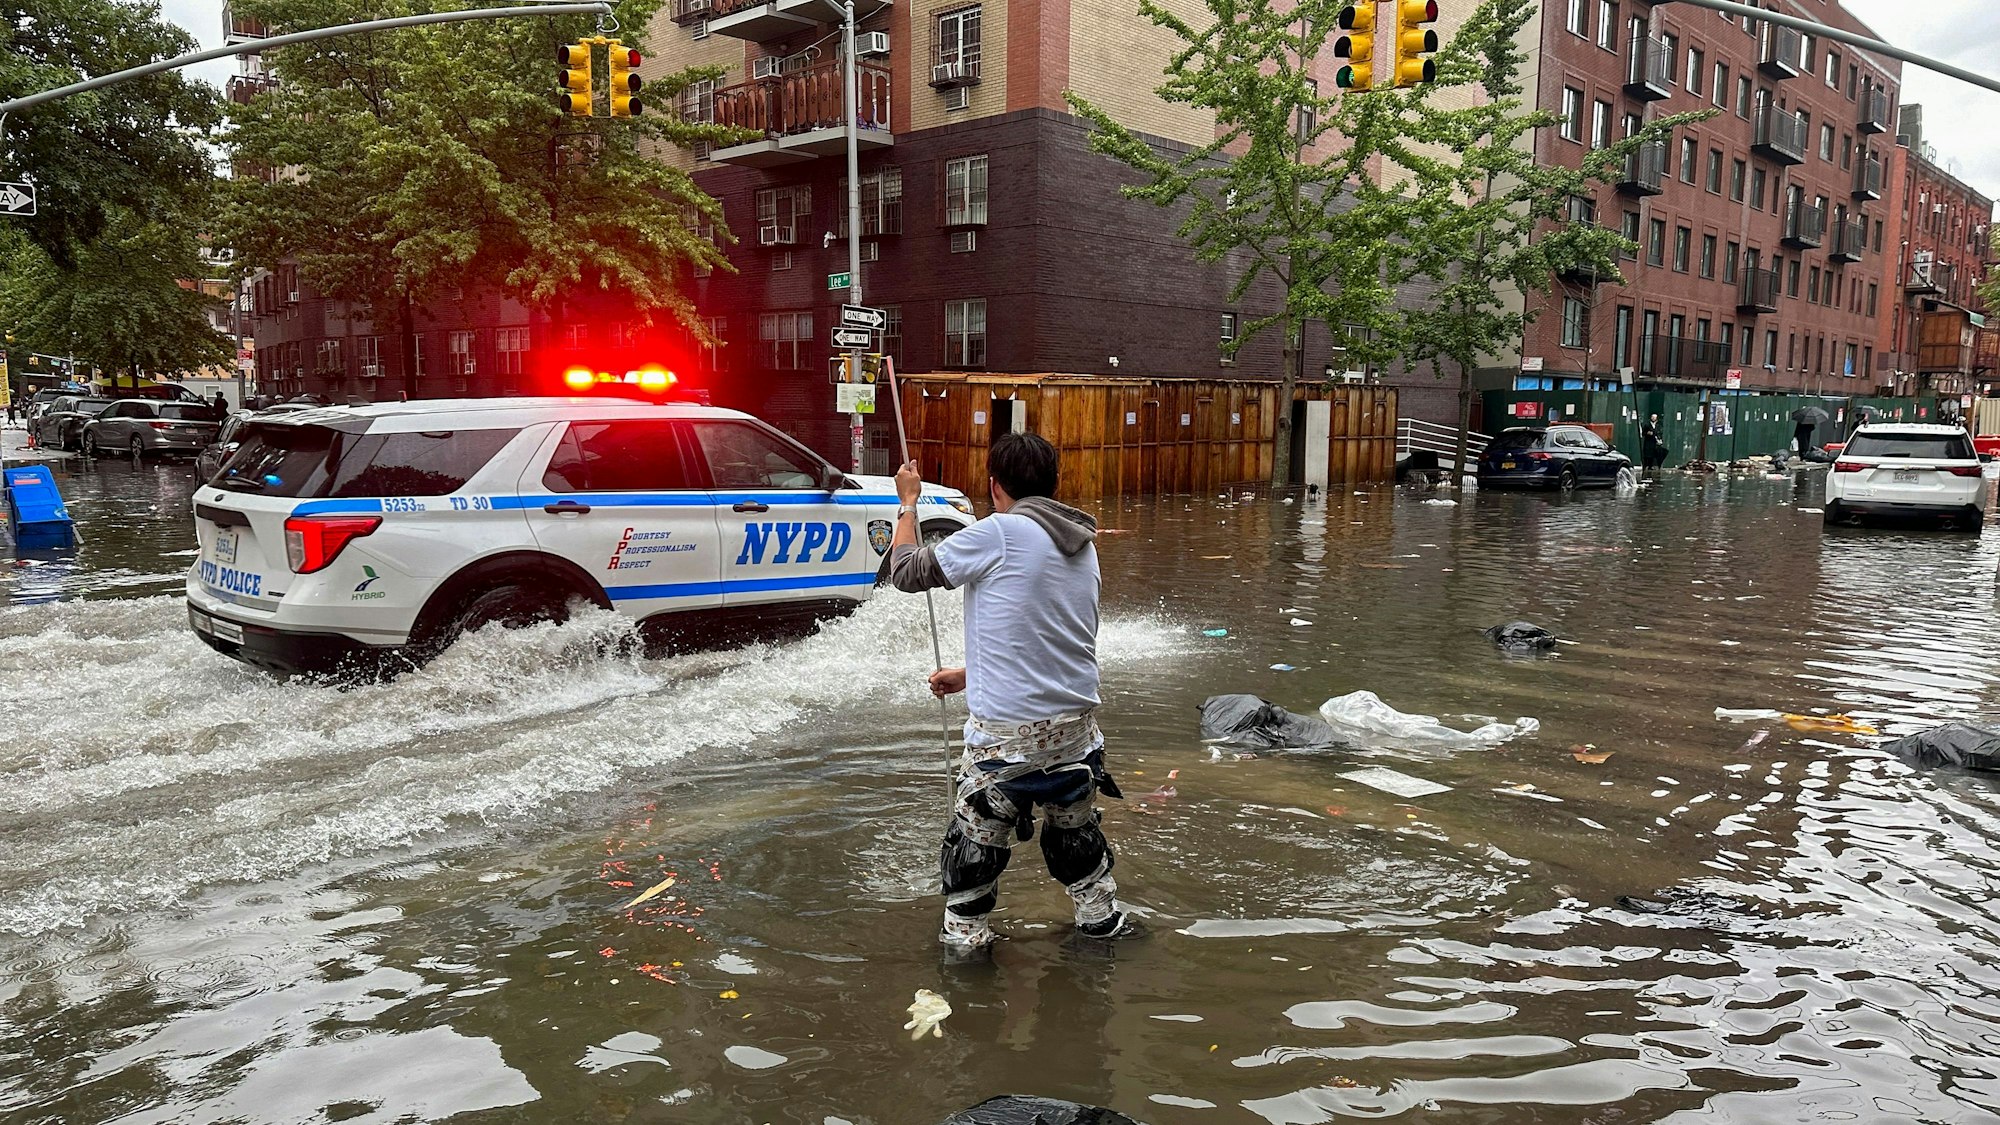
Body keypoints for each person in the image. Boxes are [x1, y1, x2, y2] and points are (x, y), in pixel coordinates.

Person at [888, 432, 1131, 950]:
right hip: (1077, 739)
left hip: (1006, 745)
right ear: (1053, 483)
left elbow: (905, 573)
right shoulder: (1080, 542)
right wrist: (971, 673)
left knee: (972, 857)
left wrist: (907, 504)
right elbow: (1049, 638)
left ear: (995, 487)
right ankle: (1102, 929)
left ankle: (967, 961)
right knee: (1079, 847)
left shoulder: (997, 532)